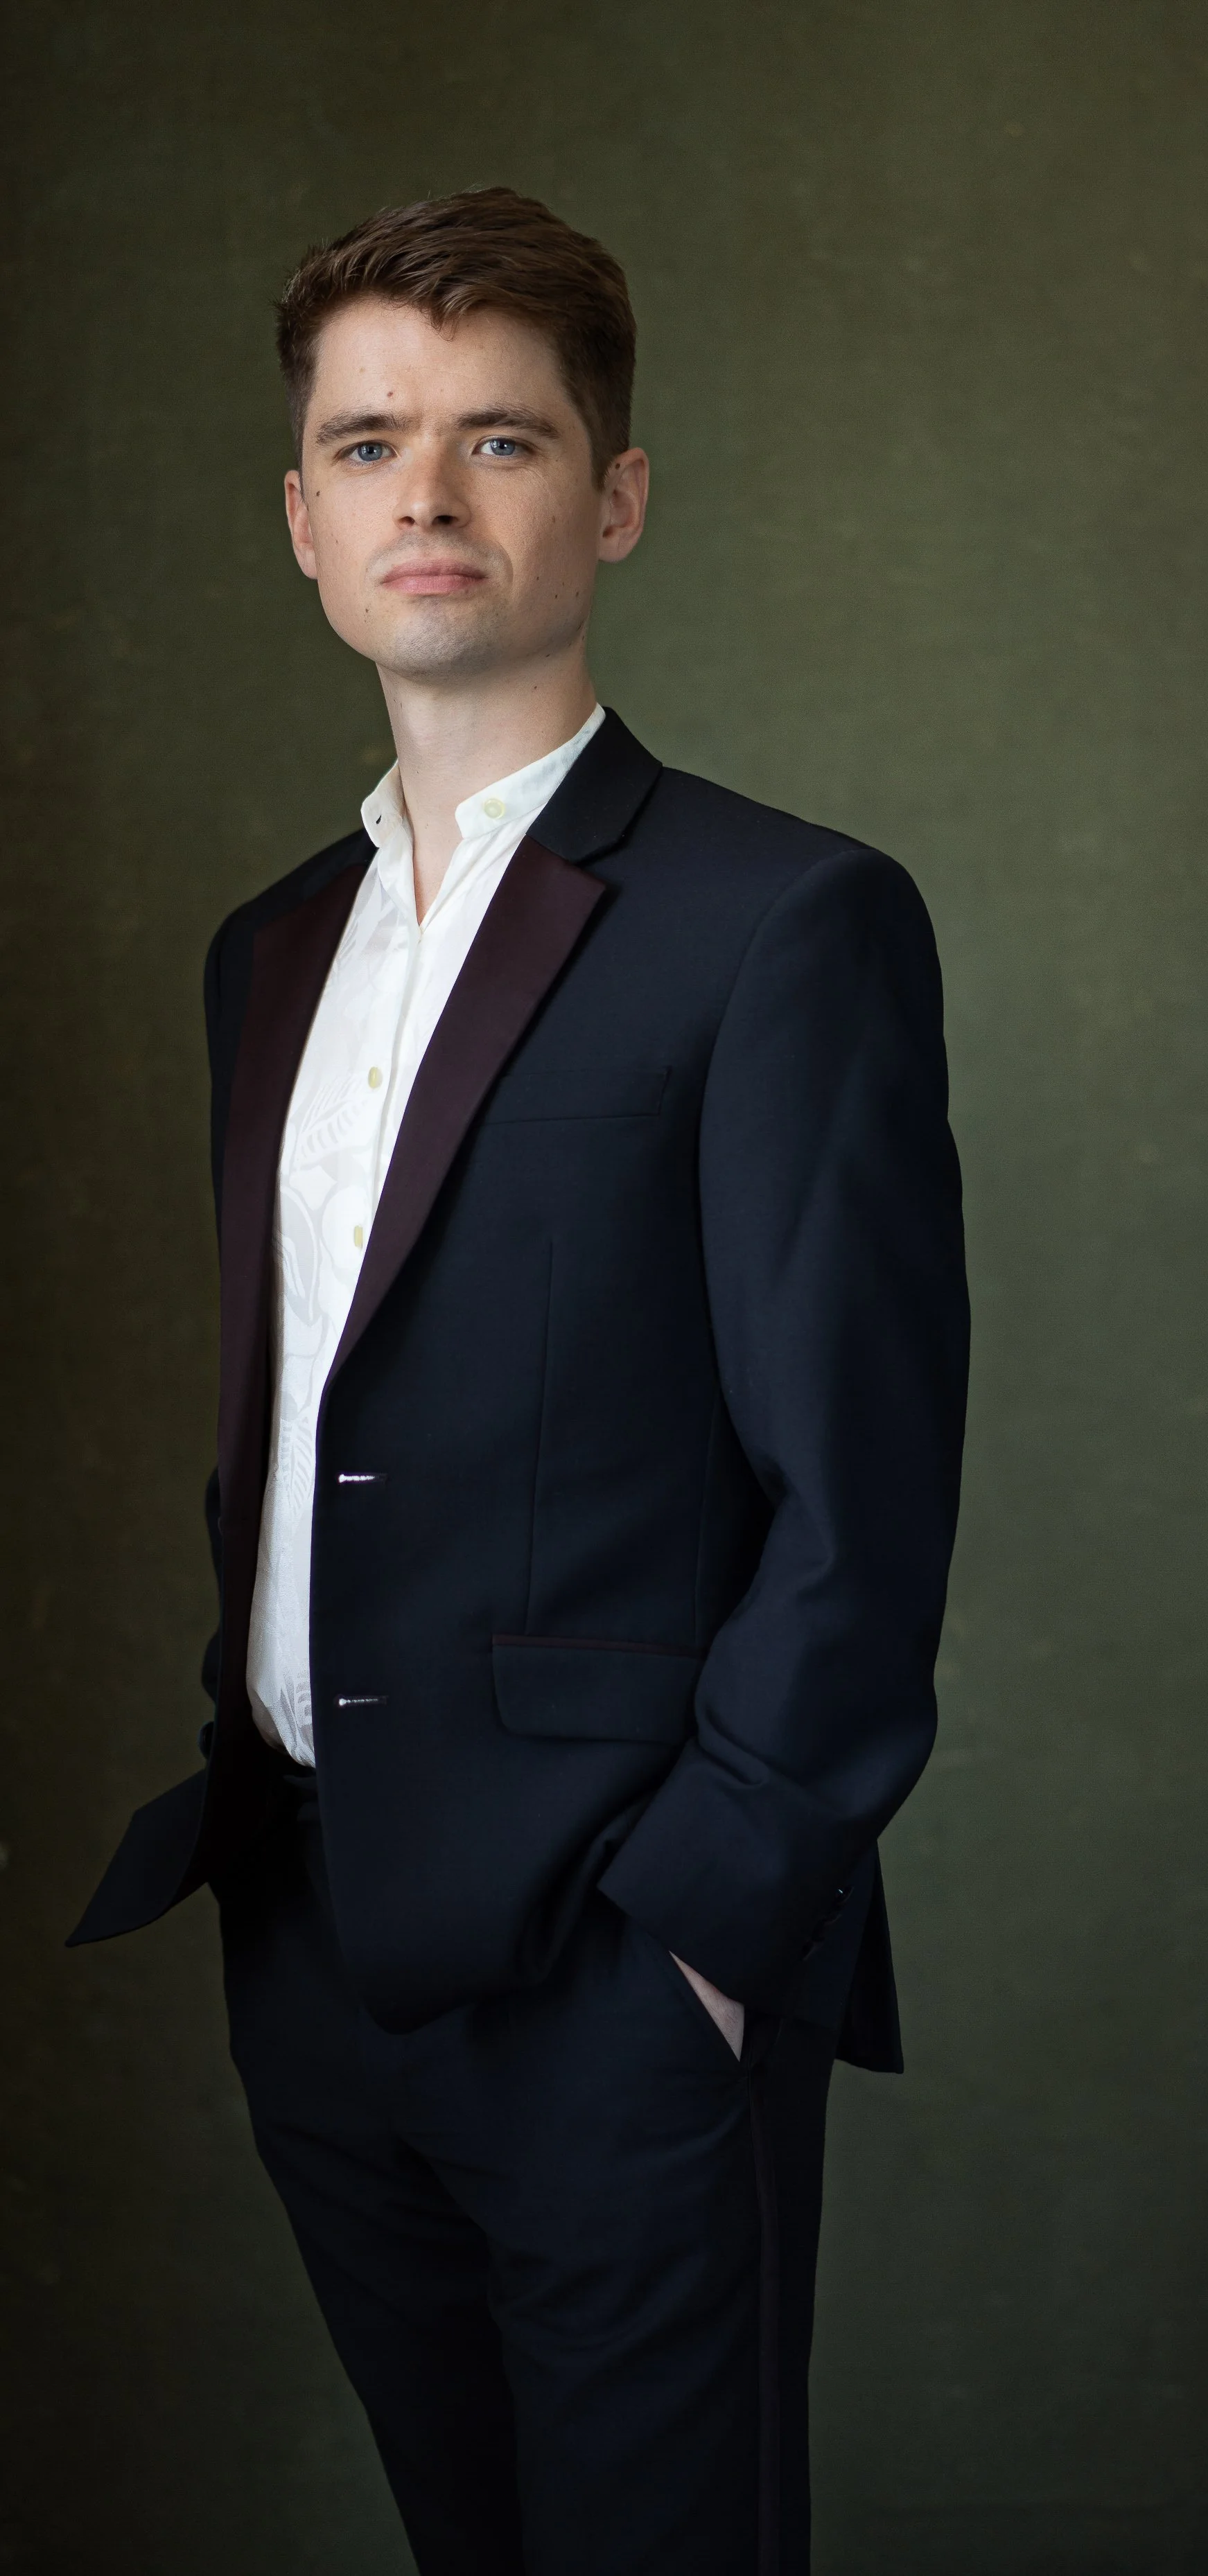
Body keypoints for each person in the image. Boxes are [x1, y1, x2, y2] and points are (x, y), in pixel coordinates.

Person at [70, 186, 968, 2576]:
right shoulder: (266, 952)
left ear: (616, 493)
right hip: (313, 1951)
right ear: (301, 518)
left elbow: (856, 1501)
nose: (429, 499)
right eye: (369, 445)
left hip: (615, 1968)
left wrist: (699, 1931)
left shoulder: (782, 927)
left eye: (500, 438)